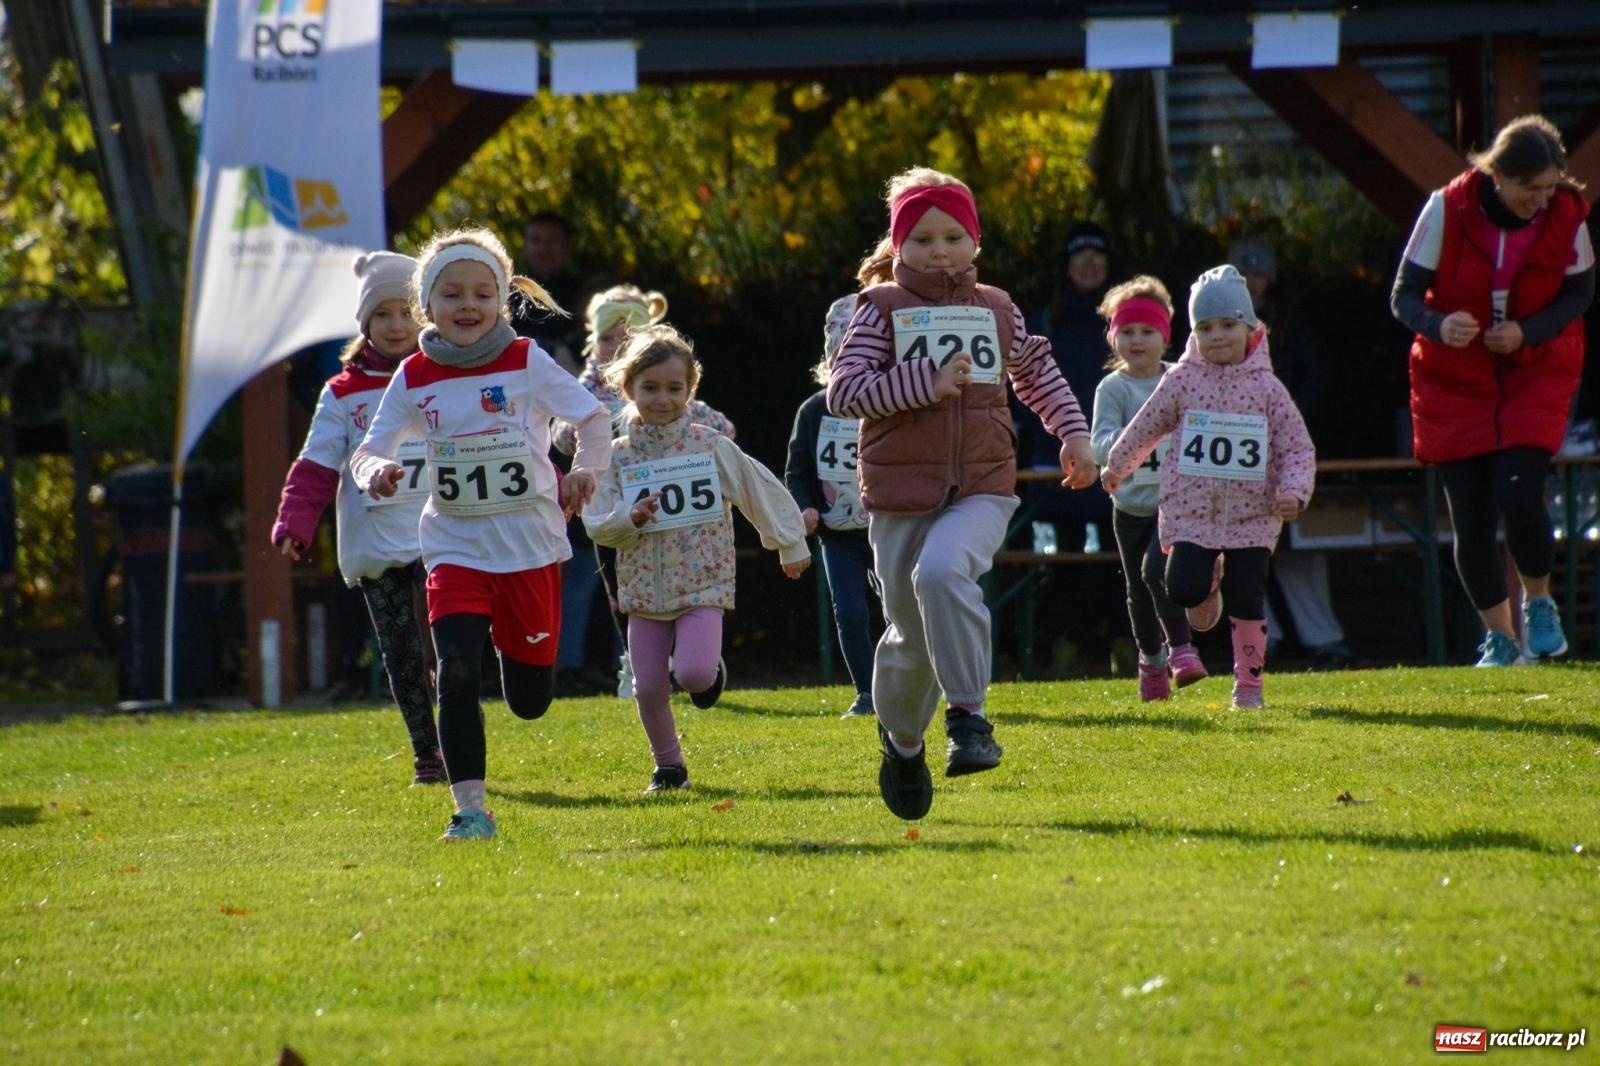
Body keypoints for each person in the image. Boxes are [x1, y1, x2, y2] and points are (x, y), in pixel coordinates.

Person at [828, 166, 1097, 821]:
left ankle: (970, 719)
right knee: (909, 640)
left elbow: (1035, 371)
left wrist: (1074, 433)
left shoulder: (996, 308)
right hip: (898, 495)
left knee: (945, 573)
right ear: (898, 248)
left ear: (974, 242)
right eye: (922, 240)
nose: (939, 250)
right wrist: (923, 381)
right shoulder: (879, 308)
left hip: (982, 487)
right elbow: (844, 392)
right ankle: (902, 742)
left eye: (953, 236)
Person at [351, 226, 611, 841]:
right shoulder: (414, 374)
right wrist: (377, 472)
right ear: (428, 307)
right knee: (459, 672)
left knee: (529, 699)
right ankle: (470, 810)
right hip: (453, 545)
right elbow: (367, 451)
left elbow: (593, 417)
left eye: (481, 294)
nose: (468, 306)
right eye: (452, 295)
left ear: (501, 300)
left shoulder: (525, 361)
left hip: (529, 548)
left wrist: (585, 472)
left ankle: (518, 650)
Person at [1390, 114, 1595, 667]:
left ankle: (1540, 603)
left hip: (1537, 370)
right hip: (1454, 379)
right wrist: (1440, 326)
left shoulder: (1568, 215)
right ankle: (1498, 638)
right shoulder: (1444, 209)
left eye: (1551, 187)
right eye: (1532, 189)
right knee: (1472, 515)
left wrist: (1527, 332)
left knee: (1518, 491)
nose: (1542, 199)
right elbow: (1404, 297)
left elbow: (1579, 296)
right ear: (1498, 175)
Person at [584, 323, 809, 793]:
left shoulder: (709, 445)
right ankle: (669, 767)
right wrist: (630, 517)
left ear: (691, 390)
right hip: (643, 589)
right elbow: (596, 519)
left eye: (674, 388)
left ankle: (707, 670)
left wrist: (789, 543)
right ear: (627, 389)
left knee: (693, 672)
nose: (662, 398)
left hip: (703, 583)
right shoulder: (617, 455)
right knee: (647, 687)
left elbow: (755, 489)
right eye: (650, 388)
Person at [1103, 265, 1317, 710]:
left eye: (1226, 325)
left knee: (1248, 597)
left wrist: (1294, 491)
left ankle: (1248, 686)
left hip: (1253, 515)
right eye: (1204, 327)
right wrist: (1118, 466)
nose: (1216, 335)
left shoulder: (1268, 389)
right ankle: (1207, 580)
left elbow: (1297, 448)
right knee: (1180, 588)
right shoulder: (1181, 380)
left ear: (1249, 327)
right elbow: (1146, 427)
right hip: (1192, 514)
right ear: (1192, 333)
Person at [270, 252, 443, 784]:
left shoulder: (448, 374)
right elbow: (317, 464)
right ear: (365, 323)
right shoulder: (342, 394)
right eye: (382, 315)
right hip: (376, 544)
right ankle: (427, 752)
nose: (396, 326)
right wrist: (295, 523)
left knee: (451, 645)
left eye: (406, 312)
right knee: (402, 654)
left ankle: (459, 720)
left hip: (444, 538)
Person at [554, 285, 738, 699]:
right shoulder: (588, 388)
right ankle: (634, 662)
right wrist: (608, 426)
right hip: (616, 506)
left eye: (628, 338)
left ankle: (695, 654)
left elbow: (722, 430)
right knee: (621, 592)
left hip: (676, 517)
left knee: (681, 584)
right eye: (606, 339)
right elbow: (563, 433)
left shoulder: (665, 391)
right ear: (594, 343)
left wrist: (683, 424)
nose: (616, 347)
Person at [1228, 235, 1352, 669]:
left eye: (1258, 272)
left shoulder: (1294, 325)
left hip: (1288, 453)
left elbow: (1317, 382)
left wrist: (1285, 423)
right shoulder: (1212, 330)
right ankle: (1267, 639)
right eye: (1242, 273)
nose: (1251, 281)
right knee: (1245, 550)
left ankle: (1323, 636)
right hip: (1238, 457)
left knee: (1301, 546)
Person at [1089, 275, 1206, 702]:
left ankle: (1182, 650)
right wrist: (1139, 442)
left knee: (1157, 572)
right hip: (1130, 505)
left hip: (1175, 504)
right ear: (1113, 337)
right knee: (1138, 592)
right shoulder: (1113, 388)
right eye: (1128, 332)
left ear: (1166, 336)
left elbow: (1200, 430)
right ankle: (1151, 662)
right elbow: (1100, 443)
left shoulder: (1181, 379)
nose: (1138, 341)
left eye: (1148, 332)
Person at [785, 295, 877, 719]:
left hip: (887, 525)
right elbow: (797, 470)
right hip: (836, 535)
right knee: (851, 611)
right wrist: (804, 507)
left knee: (902, 610)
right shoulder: (813, 411)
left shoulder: (888, 402)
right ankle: (866, 692)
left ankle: (906, 685)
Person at [510, 211, 585, 375]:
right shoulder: (507, 295)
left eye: (552, 241)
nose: (543, 249)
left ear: (567, 247)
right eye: (536, 241)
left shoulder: (585, 295)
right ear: (525, 247)